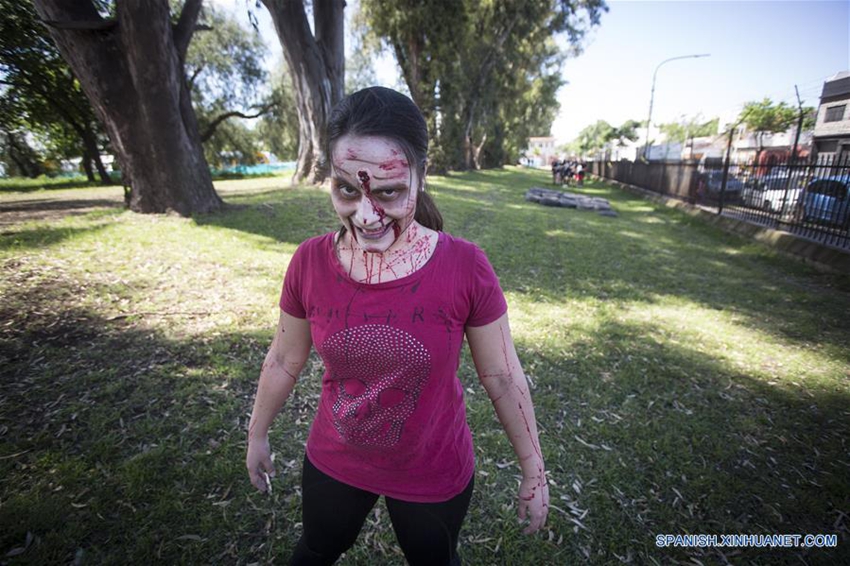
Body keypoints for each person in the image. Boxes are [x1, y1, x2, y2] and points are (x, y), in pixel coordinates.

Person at [246, 86, 548, 566]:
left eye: (388, 192)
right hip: (336, 457)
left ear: (421, 177)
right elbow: (284, 357)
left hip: (433, 467)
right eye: (347, 189)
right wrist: (257, 432)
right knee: (317, 549)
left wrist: (533, 468)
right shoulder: (308, 262)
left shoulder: (466, 266)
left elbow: (504, 375)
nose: (366, 216)